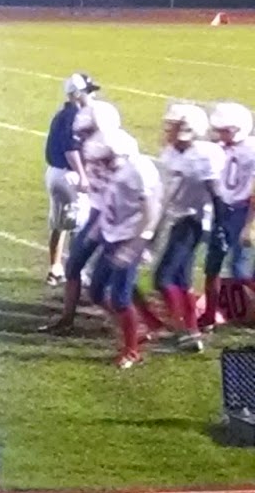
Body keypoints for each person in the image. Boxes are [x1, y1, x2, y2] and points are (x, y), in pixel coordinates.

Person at [42, 86, 124, 333]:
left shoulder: (118, 148)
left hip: (114, 214)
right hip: (97, 206)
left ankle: (136, 326)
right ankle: (68, 318)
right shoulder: (90, 142)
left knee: (114, 274)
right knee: (78, 260)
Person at [86, 130, 163, 369]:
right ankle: (137, 327)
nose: (101, 165)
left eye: (105, 159)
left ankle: (132, 350)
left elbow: (152, 212)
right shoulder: (116, 171)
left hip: (129, 237)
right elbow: (109, 203)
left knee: (120, 297)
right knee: (96, 291)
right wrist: (98, 229)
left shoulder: (138, 171)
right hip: (112, 234)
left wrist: (136, 245)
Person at [155, 104, 223, 352]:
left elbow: (216, 194)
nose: (168, 129)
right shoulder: (172, 152)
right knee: (181, 280)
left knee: (164, 278)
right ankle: (192, 332)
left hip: (193, 220)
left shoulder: (202, 155)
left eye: (173, 125)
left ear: (188, 129)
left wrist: (220, 227)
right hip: (178, 218)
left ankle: (183, 332)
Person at [43, 74, 98, 286]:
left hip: (54, 173)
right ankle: (77, 271)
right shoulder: (75, 115)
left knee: (59, 223)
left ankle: (55, 268)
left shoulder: (62, 114)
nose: (92, 96)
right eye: (88, 91)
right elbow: (70, 149)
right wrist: (83, 175)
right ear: (77, 94)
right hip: (69, 175)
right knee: (80, 225)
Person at [204, 102, 255, 330]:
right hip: (221, 209)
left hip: (242, 210)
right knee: (212, 266)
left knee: (239, 268)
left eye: (225, 130)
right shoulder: (216, 148)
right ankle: (210, 315)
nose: (220, 134)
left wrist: (249, 225)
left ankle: (248, 313)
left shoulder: (251, 149)